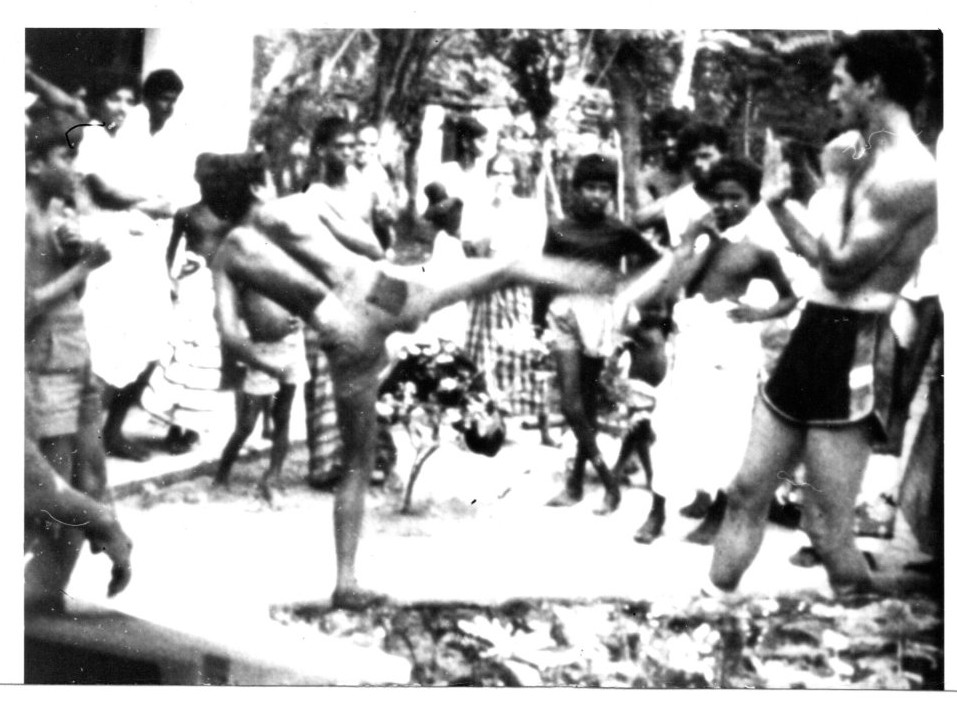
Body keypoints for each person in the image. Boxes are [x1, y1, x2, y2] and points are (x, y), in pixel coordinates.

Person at [205, 152, 625, 609]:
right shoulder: (291, 208)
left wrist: (269, 368)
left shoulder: (225, 255)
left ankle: (346, 581)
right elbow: (367, 244)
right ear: (257, 187)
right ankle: (614, 284)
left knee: (356, 465)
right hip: (378, 295)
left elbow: (229, 334)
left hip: (339, 334)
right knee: (504, 271)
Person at [707, 31, 938, 597]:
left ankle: (875, 645)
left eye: (839, 81)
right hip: (814, 327)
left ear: (872, 84)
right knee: (745, 489)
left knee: (826, 527)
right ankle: (711, 610)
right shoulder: (860, 148)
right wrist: (788, 203)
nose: (831, 94)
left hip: (858, 341)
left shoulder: (911, 174)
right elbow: (825, 252)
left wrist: (792, 199)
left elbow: (837, 268)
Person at [634, 157, 798, 544]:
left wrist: (760, 312)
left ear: (753, 200)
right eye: (718, 198)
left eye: (735, 198)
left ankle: (719, 511)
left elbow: (790, 297)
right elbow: (671, 289)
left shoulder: (759, 250)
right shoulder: (703, 244)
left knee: (726, 430)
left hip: (732, 343)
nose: (725, 206)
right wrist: (694, 239)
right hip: (693, 342)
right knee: (671, 424)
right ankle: (657, 511)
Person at [534, 154, 665, 515]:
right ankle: (609, 481)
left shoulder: (618, 230)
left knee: (588, 404)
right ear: (575, 190)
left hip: (597, 314)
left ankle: (576, 483)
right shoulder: (559, 228)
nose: (596, 195)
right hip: (562, 313)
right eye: (589, 187)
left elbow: (655, 260)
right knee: (570, 404)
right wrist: (535, 319)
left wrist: (627, 289)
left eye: (603, 189)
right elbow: (544, 274)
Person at [24, 110, 118, 612]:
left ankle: (43, 599)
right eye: (65, 155)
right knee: (54, 490)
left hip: (73, 357)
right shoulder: (18, 215)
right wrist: (83, 265)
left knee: (92, 479)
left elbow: (67, 296)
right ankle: (36, 609)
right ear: (34, 164)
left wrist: (76, 263)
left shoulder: (55, 215)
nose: (75, 168)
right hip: (41, 366)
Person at [73, 71, 176, 461]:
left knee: (153, 338)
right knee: (104, 344)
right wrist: (151, 201)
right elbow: (104, 191)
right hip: (106, 251)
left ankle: (114, 431)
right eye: (114, 99)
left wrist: (150, 202)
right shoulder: (91, 135)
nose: (121, 107)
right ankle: (87, 442)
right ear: (97, 101)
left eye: (126, 100)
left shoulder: (132, 139)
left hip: (140, 251)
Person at [300, 116, 387, 490]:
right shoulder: (314, 194)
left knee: (367, 369)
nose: (349, 153)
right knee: (326, 375)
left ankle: (370, 457)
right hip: (327, 288)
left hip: (363, 286)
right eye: (340, 146)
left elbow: (378, 243)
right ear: (322, 150)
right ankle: (328, 463)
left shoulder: (366, 188)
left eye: (353, 146)